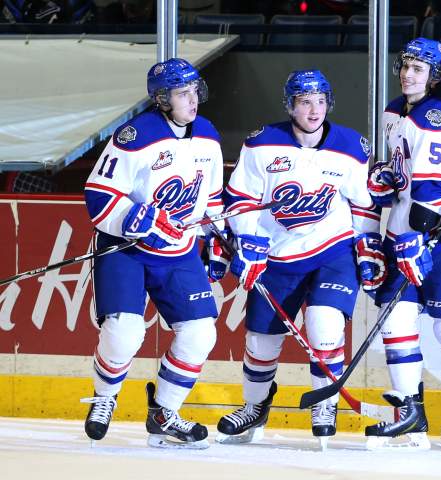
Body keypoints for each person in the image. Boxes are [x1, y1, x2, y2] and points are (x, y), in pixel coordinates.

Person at [216, 69, 383, 449]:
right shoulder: (262, 143)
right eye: (305, 102)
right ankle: (255, 406)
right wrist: (248, 240)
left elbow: (363, 203)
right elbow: (240, 200)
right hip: (276, 255)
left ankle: (325, 405)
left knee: (325, 326)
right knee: (261, 342)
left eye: (320, 101)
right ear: (290, 106)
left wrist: (368, 243)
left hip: (332, 251)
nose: (314, 110)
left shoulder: (351, 146)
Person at [82, 58, 225, 449]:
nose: (193, 100)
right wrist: (136, 220)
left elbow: (212, 198)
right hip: (126, 249)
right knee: (124, 334)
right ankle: (104, 397)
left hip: (179, 251)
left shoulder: (208, 134)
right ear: (162, 99)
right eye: (182, 94)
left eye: (195, 91)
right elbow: (99, 195)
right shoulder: (136, 135)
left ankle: (164, 413)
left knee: (200, 333)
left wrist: (217, 237)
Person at [363, 37, 441, 450]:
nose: (407, 74)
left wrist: (415, 234)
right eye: (405, 66)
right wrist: (387, 179)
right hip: (405, 233)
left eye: (418, 69)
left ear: (434, 77)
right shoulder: (394, 111)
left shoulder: (436, 117)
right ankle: (410, 415)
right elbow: (405, 173)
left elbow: (437, 187)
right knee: (395, 321)